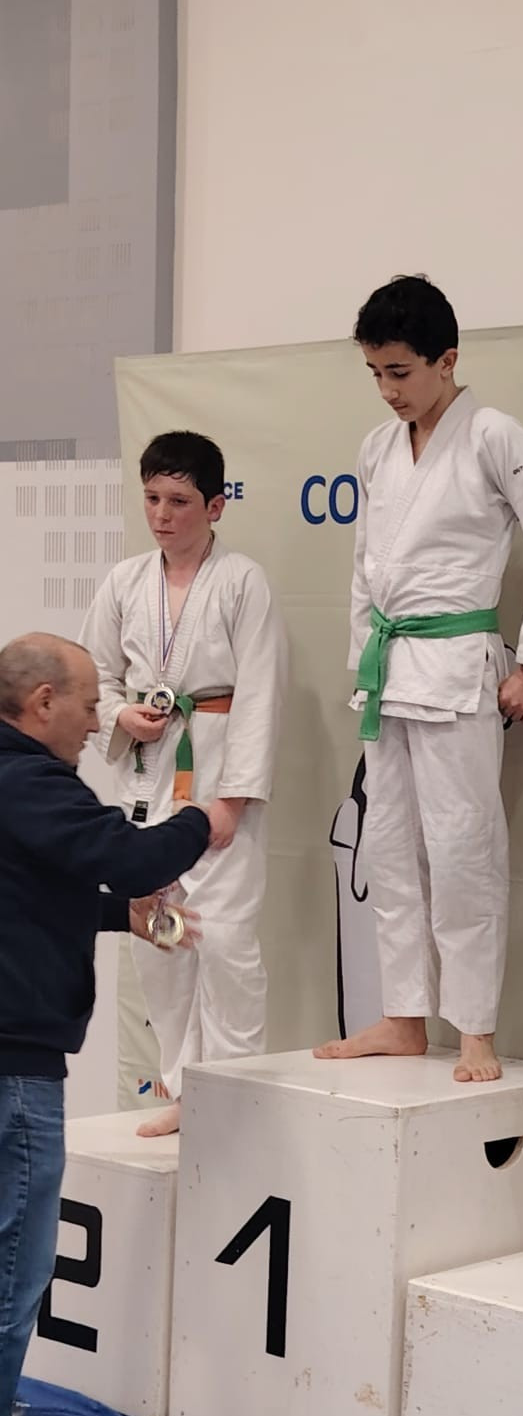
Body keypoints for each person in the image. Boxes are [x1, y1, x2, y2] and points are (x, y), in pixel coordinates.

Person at [315, 274, 523, 1082]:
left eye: (400, 372)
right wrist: (363, 664)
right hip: (390, 669)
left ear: (448, 359)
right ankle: (404, 1017)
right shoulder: (377, 448)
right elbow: (366, 570)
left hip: (459, 668)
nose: (387, 390)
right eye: (375, 373)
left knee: (464, 850)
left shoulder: (493, 434)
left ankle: (474, 1029)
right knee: (389, 847)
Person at [0, 634, 221, 1416]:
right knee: (16, 1260)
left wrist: (114, 917)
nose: (100, 722)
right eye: (91, 703)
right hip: (15, 1064)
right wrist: (205, 819)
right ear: (43, 703)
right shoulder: (31, 781)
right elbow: (132, 858)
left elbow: (25, 888)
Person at [83, 430, 288, 1136]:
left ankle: (232, 1090)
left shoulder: (242, 581)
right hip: (147, 775)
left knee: (225, 938)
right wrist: (119, 714)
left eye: (178, 501)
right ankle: (180, 1085)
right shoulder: (124, 582)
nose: (162, 515)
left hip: (219, 769)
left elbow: (262, 692)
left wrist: (233, 798)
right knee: (160, 931)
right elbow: (94, 674)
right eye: (151, 499)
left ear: (216, 506)